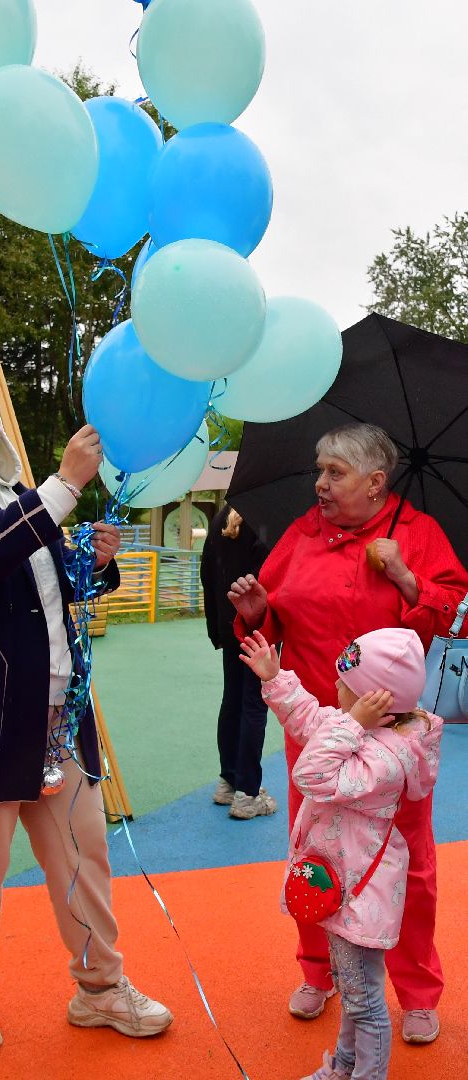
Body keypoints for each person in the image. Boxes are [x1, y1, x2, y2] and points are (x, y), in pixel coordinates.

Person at [0, 357, 173, 1055]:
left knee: (83, 857)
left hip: (55, 715)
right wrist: (65, 485)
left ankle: (100, 990)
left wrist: (97, 562)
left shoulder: (13, 490)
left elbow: (47, 584)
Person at [228, 422, 468, 1044]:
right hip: (315, 723)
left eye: (334, 472)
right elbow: (276, 619)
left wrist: (408, 581)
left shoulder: (417, 534)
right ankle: (319, 970)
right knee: (313, 852)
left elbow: (458, 616)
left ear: (376, 481)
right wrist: (256, 612)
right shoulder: (303, 532)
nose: (320, 484)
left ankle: (415, 991)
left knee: (407, 861)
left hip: (393, 733)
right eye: (320, 470)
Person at [240, 626, 442, 1080]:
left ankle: (365, 1074)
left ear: (374, 704)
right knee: (355, 991)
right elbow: (312, 720)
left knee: (364, 1001)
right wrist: (277, 679)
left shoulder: (385, 759)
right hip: (345, 884)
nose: (333, 688)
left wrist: (352, 724)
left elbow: (310, 773)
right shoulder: (361, 731)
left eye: (345, 686)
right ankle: (345, 1067)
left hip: (359, 892)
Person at [200, 504, 275, 819]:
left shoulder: (220, 519)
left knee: (232, 700)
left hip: (229, 625)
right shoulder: (267, 521)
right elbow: (273, 578)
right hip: (257, 625)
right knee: (253, 704)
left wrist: (217, 624)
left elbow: (206, 574)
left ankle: (228, 780)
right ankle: (247, 791)